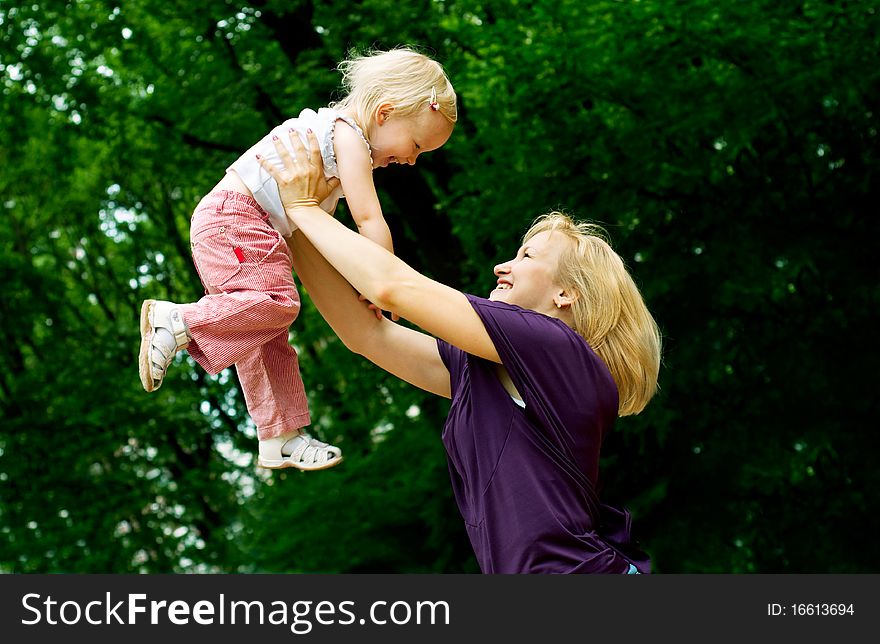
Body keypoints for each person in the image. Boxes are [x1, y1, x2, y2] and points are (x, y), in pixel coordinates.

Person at [260, 130, 662, 573]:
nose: (502, 266)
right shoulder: (488, 369)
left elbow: (390, 288)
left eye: (526, 257)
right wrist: (291, 224)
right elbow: (366, 335)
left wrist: (303, 208)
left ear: (566, 293)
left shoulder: (558, 348)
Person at [137, 48, 457, 470]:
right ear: (384, 113)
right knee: (278, 303)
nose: (412, 160)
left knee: (261, 334)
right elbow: (368, 220)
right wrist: (380, 285)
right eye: (416, 145)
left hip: (229, 223)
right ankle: (179, 321)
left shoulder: (332, 136)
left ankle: (278, 436)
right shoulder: (349, 138)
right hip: (236, 218)